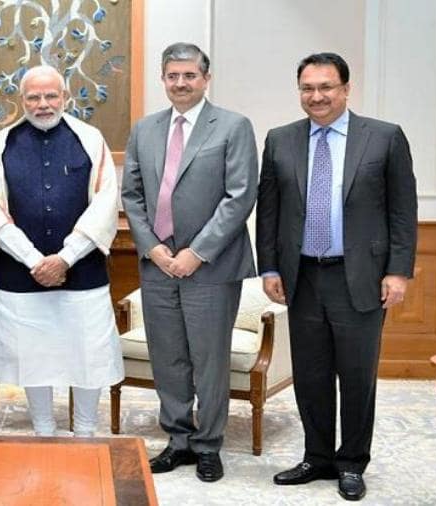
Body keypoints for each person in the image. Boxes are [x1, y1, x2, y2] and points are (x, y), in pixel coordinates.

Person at [256, 52, 417, 501]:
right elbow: (268, 211)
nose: (317, 96)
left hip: (360, 276)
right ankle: (317, 457)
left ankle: (351, 462)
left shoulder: (384, 137)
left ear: (346, 89)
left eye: (326, 87)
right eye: (307, 88)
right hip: (302, 276)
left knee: (357, 375)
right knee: (310, 374)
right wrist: (269, 266)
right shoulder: (280, 140)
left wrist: (398, 272)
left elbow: (403, 211)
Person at [120, 43, 258, 482]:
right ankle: (178, 440)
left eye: (189, 76)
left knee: (209, 359)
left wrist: (196, 253)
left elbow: (240, 196)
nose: (180, 83)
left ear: (205, 78)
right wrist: (153, 248)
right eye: (172, 76)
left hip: (211, 267)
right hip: (157, 264)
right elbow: (132, 195)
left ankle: (208, 444)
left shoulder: (233, 126)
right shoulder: (145, 129)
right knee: (168, 357)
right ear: (163, 79)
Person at [0, 65, 123, 437]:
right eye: (34, 97)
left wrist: (65, 258)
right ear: (21, 100)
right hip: (20, 275)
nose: (43, 104)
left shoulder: (90, 139)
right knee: (33, 358)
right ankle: (43, 431)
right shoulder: (2, 144)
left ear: (65, 97)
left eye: (50, 96)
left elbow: (105, 203)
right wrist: (34, 260)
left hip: (82, 274)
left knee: (88, 356)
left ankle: (86, 433)